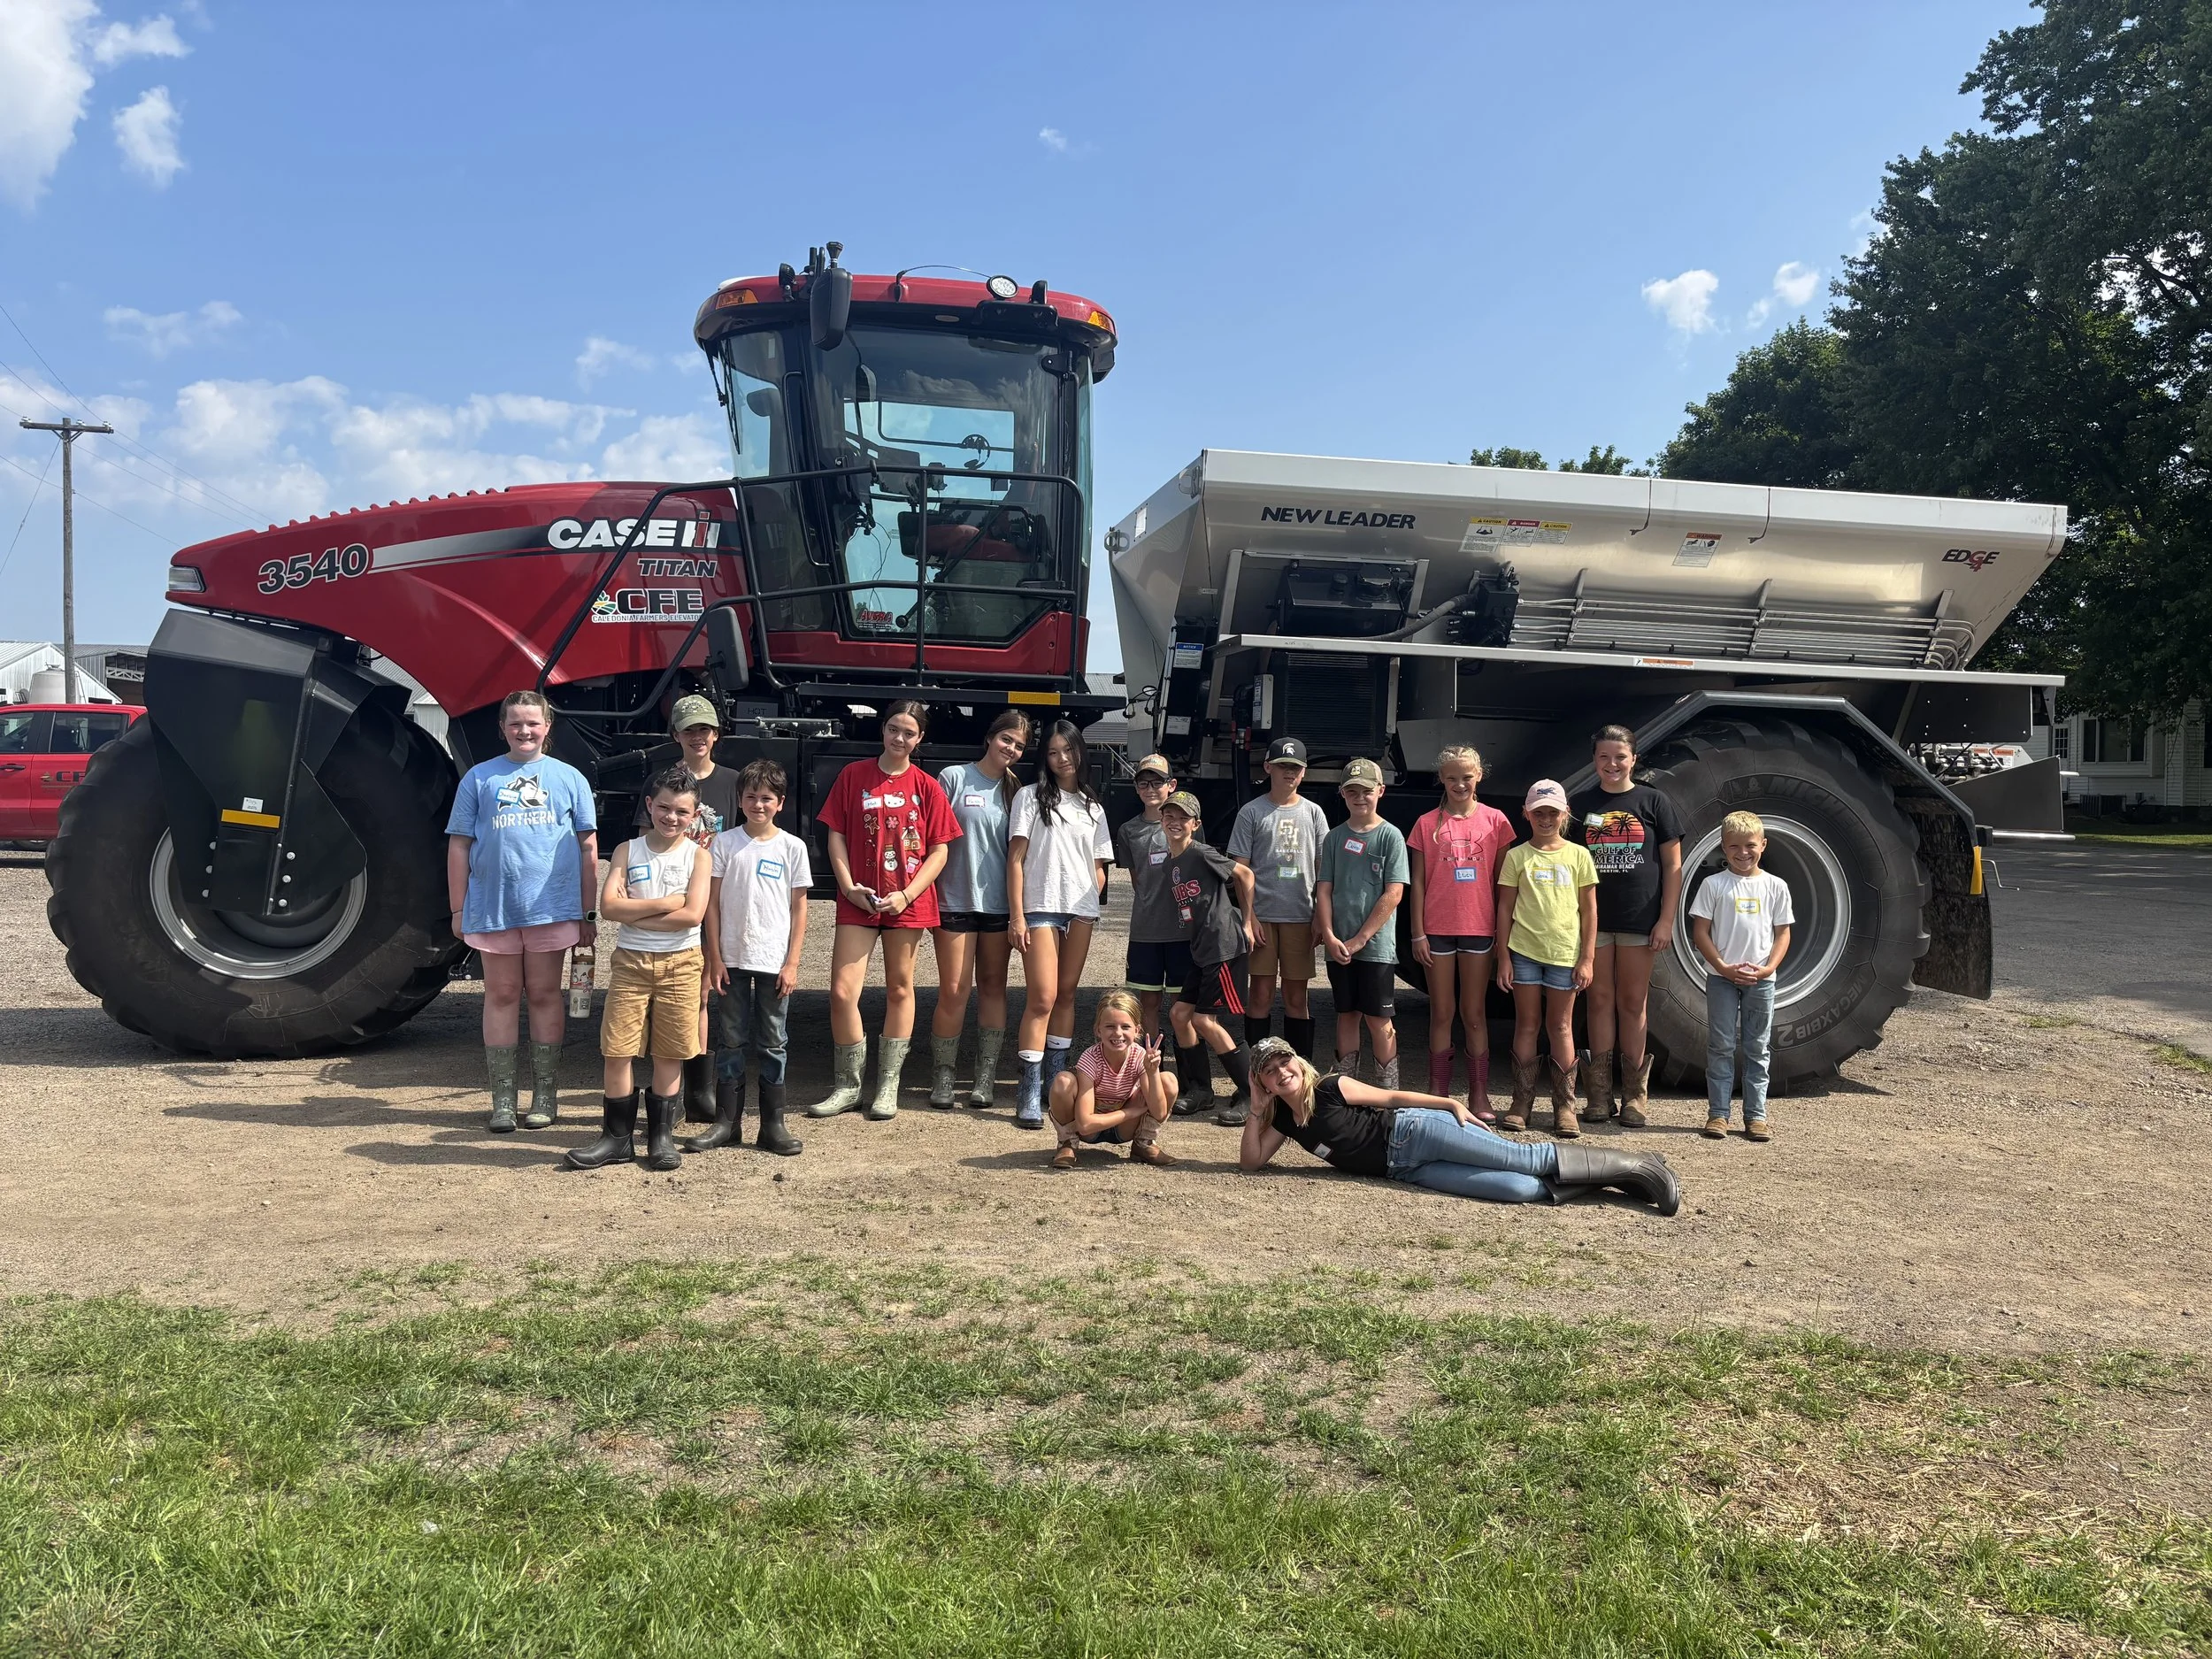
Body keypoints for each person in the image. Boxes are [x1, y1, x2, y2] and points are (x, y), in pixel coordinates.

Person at [1238, 1038, 1678, 1213]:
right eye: (1269, 1072)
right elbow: (1251, 1163)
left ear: (1298, 1062)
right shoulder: (1285, 1120)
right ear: (1264, 1083)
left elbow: (1392, 1097)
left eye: (1284, 1062)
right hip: (1404, 1170)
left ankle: (1640, 1166)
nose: (1281, 1072)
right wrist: (1256, 1108)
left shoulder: (1331, 1087)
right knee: (1521, 1190)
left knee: (1523, 1158)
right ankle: (1613, 1178)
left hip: (1414, 1131)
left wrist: (1449, 1103)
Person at [445, 689, 598, 1134]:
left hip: (552, 908)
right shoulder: (479, 778)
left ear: (547, 727)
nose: (524, 730)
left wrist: (587, 913)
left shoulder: (569, 778)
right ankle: (503, 1102)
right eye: (515, 723)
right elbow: (459, 845)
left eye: (532, 722)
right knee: (502, 994)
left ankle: (545, 1097)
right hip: (494, 906)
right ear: (502, 729)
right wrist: (458, 908)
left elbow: (588, 846)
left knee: (546, 994)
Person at [810, 700, 962, 1121]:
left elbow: (939, 851)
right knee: (843, 992)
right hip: (858, 899)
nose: (899, 738)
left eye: (909, 732)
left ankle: (888, 1085)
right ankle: (848, 1086)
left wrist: (907, 895)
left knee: (900, 988)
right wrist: (847, 886)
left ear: (920, 738)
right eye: (894, 728)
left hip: (905, 903)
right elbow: (836, 835)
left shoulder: (926, 787)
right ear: (883, 729)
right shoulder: (853, 775)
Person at [566, 769, 712, 1172]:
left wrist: (635, 911)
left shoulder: (698, 856)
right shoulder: (627, 851)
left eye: (681, 811)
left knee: (670, 1051)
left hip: (681, 964)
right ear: (649, 804)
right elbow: (609, 907)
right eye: (663, 807)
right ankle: (616, 1139)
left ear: (695, 814)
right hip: (631, 961)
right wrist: (666, 903)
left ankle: (661, 1138)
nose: (671, 817)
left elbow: (693, 916)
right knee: (617, 1049)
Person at [687, 758, 810, 1157]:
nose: (759, 805)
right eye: (752, 797)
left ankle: (773, 1124)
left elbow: (799, 909)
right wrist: (715, 957)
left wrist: (792, 963)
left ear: (781, 803)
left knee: (774, 1041)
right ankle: (728, 1122)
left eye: (767, 798)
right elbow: (712, 905)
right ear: (740, 800)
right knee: (731, 1039)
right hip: (732, 957)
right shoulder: (724, 844)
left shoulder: (792, 847)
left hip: (773, 959)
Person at [639, 694, 745, 1127]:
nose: (697, 737)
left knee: (700, 994)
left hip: (715, 899)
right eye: (689, 730)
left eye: (705, 729)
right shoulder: (661, 782)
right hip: (670, 901)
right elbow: (644, 842)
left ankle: (699, 1091)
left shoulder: (732, 781)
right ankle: (673, 1089)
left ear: (716, 734)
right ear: (676, 735)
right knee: (665, 996)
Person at [1571, 724, 1684, 1128]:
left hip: (1640, 921)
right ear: (1594, 760)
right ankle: (1599, 1096)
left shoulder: (1655, 801)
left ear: (1634, 758)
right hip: (1594, 923)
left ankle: (1635, 1097)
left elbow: (1673, 866)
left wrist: (1666, 920)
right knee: (1599, 1001)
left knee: (1633, 1004)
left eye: (1620, 756)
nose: (1612, 764)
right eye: (1604, 756)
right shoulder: (1581, 804)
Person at [1007, 718, 1115, 1128]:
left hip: (1081, 912)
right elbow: (1015, 860)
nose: (1062, 759)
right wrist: (1017, 916)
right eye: (1053, 753)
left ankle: (1054, 1085)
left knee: (1067, 995)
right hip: (1040, 909)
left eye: (1068, 750)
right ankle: (1028, 1090)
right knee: (1043, 998)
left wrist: (1087, 894)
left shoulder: (1092, 806)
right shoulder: (1030, 797)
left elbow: (1099, 866)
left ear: (1080, 751)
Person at [1407, 744, 1515, 1119]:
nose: (1459, 784)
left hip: (1478, 928)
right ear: (1441, 778)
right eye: (1451, 777)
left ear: (1479, 776)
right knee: (1441, 1012)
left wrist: (1502, 937)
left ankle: (1479, 1094)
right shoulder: (1426, 824)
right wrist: (1417, 932)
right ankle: (1438, 1092)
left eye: (1466, 777)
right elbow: (1418, 883)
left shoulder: (1496, 821)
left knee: (1474, 1012)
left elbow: (1504, 885)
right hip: (1436, 929)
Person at [929, 710, 1028, 1111]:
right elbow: (933, 838)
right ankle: (943, 1076)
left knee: (992, 987)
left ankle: (984, 1079)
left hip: (998, 905)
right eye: (1006, 739)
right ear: (990, 737)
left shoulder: (1017, 791)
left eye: (1019, 745)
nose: (1011, 749)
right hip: (953, 900)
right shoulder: (953, 778)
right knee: (954, 990)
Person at [1493, 780, 1599, 1136]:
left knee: (1561, 1026)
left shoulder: (1579, 855)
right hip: (1524, 951)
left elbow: (1589, 910)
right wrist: (1503, 957)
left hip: (1564, 953)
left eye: (1553, 812)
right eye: (1539, 812)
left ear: (1565, 814)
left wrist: (1587, 958)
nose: (1546, 818)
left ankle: (1565, 1107)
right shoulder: (1517, 856)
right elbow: (1504, 909)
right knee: (1527, 1024)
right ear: (1526, 814)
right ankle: (1521, 1102)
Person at [1689, 810, 1794, 1142]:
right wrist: (1721, 966)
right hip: (1721, 977)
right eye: (1734, 846)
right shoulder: (1714, 884)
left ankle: (1756, 1116)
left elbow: (1783, 933)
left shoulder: (1776, 886)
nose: (1743, 852)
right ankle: (1718, 1114)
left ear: (1763, 845)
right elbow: (1700, 931)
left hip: (1761, 980)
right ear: (1723, 847)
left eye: (1750, 845)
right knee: (1721, 1045)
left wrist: (1769, 968)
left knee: (1757, 1047)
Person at [1226, 737, 1330, 1060]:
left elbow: (1323, 870)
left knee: (1297, 997)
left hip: (1300, 915)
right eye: (1283, 766)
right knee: (1260, 994)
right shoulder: (1252, 812)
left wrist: (1321, 916)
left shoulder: (1313, 813)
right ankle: (1258, 1069)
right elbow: (1240, 870)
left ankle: (1301, 1070)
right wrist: (1250, 917)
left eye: (1295, 768)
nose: (1289, 773)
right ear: (1268, 767)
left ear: (1304, 772)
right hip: (1263, 917)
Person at [1163, 791, 1261, 1125]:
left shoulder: (1200, 852)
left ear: (1196, 824)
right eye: (1170, 816)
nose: (1176, 822)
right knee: (1179, 1014)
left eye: (1183, 818)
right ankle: (1200, 1090)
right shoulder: (1171, 862)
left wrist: (1247, 921)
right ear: (1162, 820)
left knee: (1207, 1021)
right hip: (1201, 951)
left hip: (1224, 947)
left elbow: (1245, 875)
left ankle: (1253, 1094)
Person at [1314, 757, 1409, 1086]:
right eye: (1352, 791)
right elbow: (1324, 889)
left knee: (1379, 1019)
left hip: (1375, 948)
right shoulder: (1334, 838)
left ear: (1380, 791)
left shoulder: (1390, 836)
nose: (1359, 797)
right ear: (1342, 793)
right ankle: (1346, 1091)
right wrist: (1329, 935)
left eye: (1366, 791)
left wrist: (1360, 939)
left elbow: (1393, 894)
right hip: (1339, 946)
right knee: (1347, 1015)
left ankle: (1387, 1094)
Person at [1046, 990, 1179, 1170]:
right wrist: (1130, 1112)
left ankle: (1144, 1143)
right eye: (1110, 1026)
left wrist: (1153, 1072)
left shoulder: (1140, 1057)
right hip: (1091, 1130)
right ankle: (1067, 1142)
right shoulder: (1090, 1059)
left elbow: (1159, 1113)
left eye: (1125, 1027)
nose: (1117, 1033)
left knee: (1168, 1080)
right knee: (1063, 1081)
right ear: (1098, 1030)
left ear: (1137, 1030)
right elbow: (1084, 1125)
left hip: (1125, 1129)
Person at [1116, 754, 1189, 1065]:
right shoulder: (1128, 831)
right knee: (1148, 1001)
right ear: (1136, 788)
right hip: (1146, 929)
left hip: (1182, 930)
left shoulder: (1183, 824)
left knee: (1181, 1003)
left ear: (1171, 785)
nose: (1150, 789)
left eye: (1157, 782)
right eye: (1143, 783)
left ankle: (1187, 1069)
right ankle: (1152, 1064)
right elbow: (1137, 881)